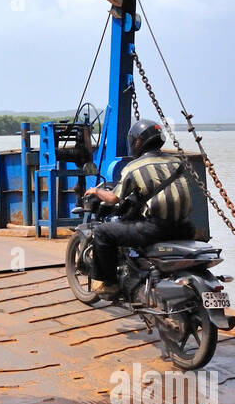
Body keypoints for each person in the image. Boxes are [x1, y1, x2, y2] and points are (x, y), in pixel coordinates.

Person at [79, 118, 194, 304]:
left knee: (102, 232)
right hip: (185, 227)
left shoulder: (135, 167)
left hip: (155, 229)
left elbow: (114, 198)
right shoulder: (176, 163)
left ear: (137, 142)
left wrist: (97, 191)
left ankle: (109, 284)